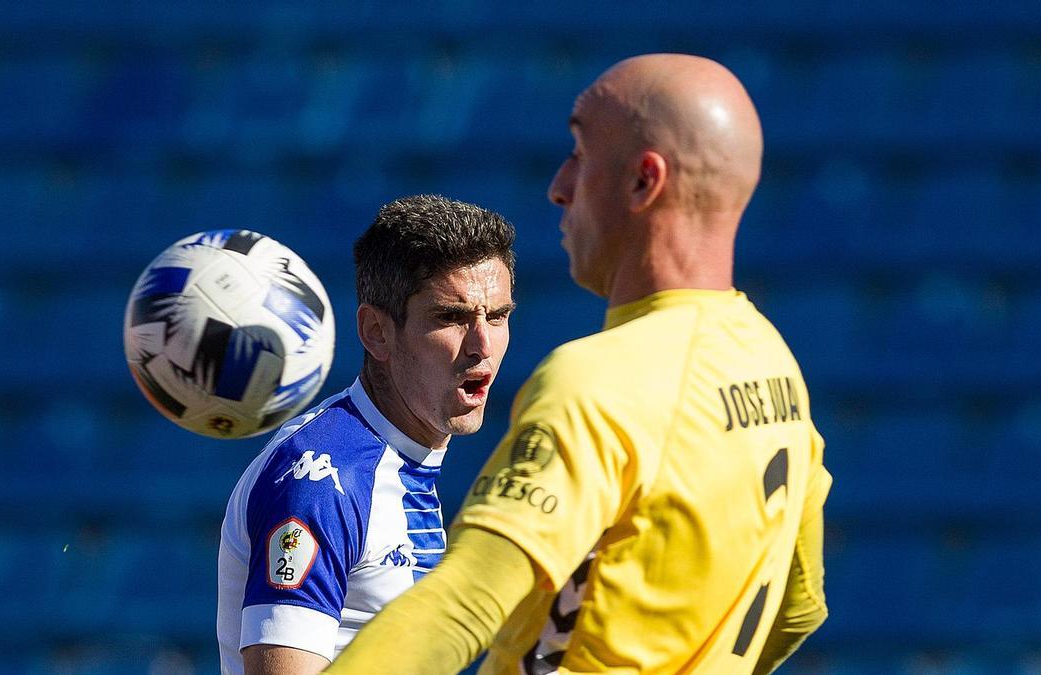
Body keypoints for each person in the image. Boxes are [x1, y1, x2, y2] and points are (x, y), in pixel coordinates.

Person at [326, 53, 831, 674]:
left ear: (645, 182)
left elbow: (460, 608)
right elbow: (799, 606)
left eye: (581, 153)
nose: (559, 185)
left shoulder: (603, 384)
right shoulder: (773, 365)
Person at [215, 194, 517, 674]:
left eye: (497, 316)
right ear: (377, 332)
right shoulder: (320, 480)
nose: (482, 345)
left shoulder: (405, 455)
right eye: (451, 317)